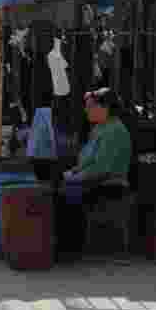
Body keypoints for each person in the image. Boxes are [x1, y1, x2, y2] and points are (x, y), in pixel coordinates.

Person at [55, 87, 133, 258]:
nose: (86, 110)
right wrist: (71, 173)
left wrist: (74, 178)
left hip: (110, 184)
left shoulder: (115, 131)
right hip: (93, 180)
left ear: (105, 108)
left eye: (90, 107)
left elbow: (102, 170)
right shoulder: (99, 129)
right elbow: (86, 161)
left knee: (64, 195)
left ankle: (70, 248)